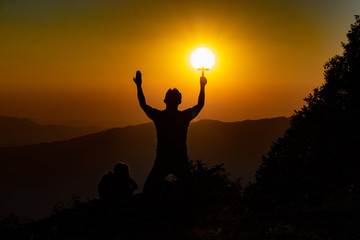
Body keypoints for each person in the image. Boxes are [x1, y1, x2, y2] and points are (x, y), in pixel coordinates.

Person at [133, 70, 207, 196]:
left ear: (164, 100)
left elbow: (143, 105)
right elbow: (200, 105)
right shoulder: (184, 117)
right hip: (180, 159)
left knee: (149, 191)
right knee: (192, 192)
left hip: (163, 159)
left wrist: (139, 86)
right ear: (180, 102)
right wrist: (202, 87)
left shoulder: (160, 117)